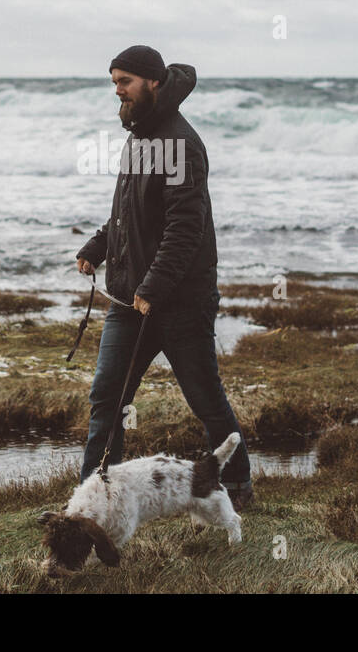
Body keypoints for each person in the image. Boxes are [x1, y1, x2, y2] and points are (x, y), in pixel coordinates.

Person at [75, 44, 253, 510]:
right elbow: (128, 215)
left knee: (205, 400)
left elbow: (184, 229)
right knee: (106, 401)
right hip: (129, 302)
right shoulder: (140, 136)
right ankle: (94, 496)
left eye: (125, 82)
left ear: (152, 81)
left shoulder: (180, 142)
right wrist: (98, 248)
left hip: (180, 303)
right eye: (114, 82)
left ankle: (237, 487)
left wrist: (152, 287)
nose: (118, 91)